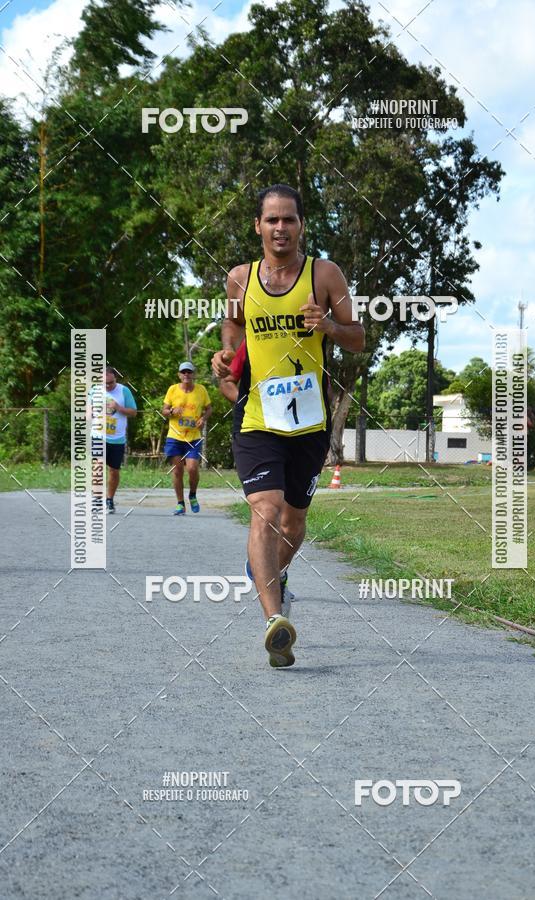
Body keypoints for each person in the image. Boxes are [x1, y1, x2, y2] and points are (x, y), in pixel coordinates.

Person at [212, 183, 365, 667]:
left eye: (289, 219)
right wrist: (225, 361)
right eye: (272, 220)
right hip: (257, 416)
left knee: (294, 521)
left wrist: (329, 328)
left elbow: (358, 338)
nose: (281, 228)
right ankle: (275, 622)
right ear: (258, 226)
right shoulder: (240, 278)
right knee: (266, 510)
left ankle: (269, 576)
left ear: (301, 225)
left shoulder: (324, 274)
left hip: (309, 422)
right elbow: (233, 330)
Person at [162, 362, 212, 515]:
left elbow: (209, 408)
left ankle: (192, 495)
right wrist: (171, 411)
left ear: (193, 374)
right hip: (175, 436)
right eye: (183, 372)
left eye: (189, 372)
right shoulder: (173, 389)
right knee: (177, 471)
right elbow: (163, 410)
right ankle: (180, 503)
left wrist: (203, 419)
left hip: (193, 437)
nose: (186, 375)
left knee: (192, 468)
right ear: (179, 375)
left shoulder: (201, 390)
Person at [87, 366, 138, 514]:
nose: (107, 386)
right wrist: (90, 415)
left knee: (114, 471)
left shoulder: (124, 391)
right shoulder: (94, 391)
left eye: (110, 382)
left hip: (117, 438)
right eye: (105, 383)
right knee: (98, 464)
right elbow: (87, 414)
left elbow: (133, 412)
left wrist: (118, 407)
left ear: (115, 379)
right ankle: (97, 500)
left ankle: (109, 499)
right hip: (98, 434)